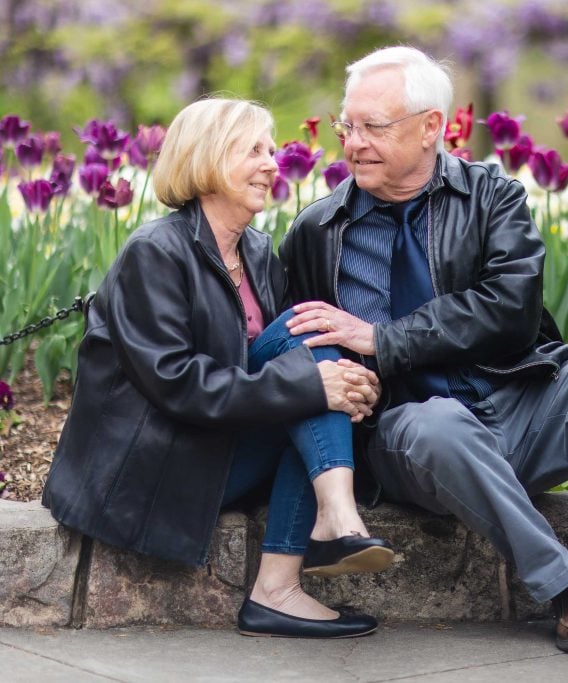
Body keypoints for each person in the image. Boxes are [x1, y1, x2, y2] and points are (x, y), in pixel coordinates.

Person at [279, 47, 568, 670]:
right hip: (412, 438)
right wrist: (344, 374)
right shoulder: (318, 230)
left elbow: (511, 308)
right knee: (437, 421)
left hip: (513, 402)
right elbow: (298, 342)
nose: (353, 143)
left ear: (432, 127)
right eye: (348, 126)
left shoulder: (492, 196)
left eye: (374, 126)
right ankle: (566, 588)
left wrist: (382, 338)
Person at [42, 97, 393, 640]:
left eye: (272, 150)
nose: (272, 164)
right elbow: (178, 385)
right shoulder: (155, 252)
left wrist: (348, 383)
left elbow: (286, 366)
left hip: (223, 444)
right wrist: (316, 382)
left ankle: (287, 580)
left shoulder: (256, 252)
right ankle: (332, 527)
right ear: (206, 159)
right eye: (253, 150)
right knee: (310, 361)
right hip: (163, 464)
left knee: (314, 346)